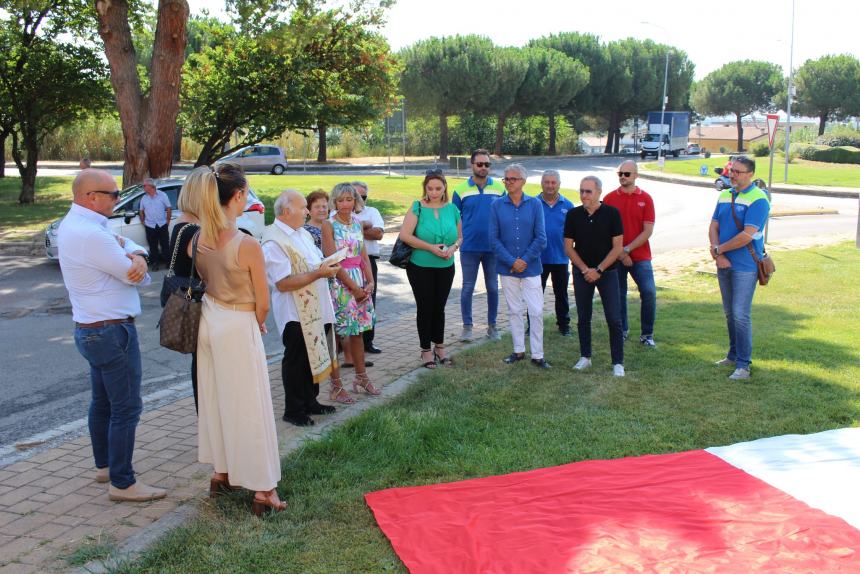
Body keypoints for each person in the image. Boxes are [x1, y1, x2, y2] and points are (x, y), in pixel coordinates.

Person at [58, 168, 166, 502]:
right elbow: (134, 276)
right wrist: (139, 262)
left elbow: (130, 247)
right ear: (90, 197)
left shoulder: (85, 225)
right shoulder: (91, 234)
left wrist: (138, 255)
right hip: (110, 330)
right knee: (126, 407)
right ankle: (122, 482)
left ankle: (105, 465)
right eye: (113, 194)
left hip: (93, 329)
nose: (118, 199)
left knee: (103, 402)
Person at [192, 163, 284, 515]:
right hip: (238, 320)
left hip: (210, 319)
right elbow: (263, 300)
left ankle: (221, 471)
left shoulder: (199, 238)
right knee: (251, 406)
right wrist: (258, 322)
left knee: (217, 399)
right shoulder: (246, 243)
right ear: (239, 195)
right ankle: (264, 490)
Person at [263, 190, 346, 427]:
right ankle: (294, 409)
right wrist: (320, 272)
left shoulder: (302, 233)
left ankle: (311, 400)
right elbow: (282, 282)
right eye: (303, 207)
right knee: (297, 359)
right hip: (294, 312)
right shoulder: (274, 241)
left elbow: (313, 262)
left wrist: (327, 265)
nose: (307, 211)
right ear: (286, 211)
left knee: (314, 354)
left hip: (315, 306)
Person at [708, 155, 770, 381]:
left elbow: (747, 235)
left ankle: (744, 365)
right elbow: (714, 225)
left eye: (737, 172)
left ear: (750, 174)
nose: (732, 175)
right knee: (729, 313)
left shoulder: (758, 198)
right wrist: (718, 252)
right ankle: (733, 355)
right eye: (731, 170)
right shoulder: (725, 195)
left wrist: (719, 250)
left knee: (740, 314)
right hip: (723, 262)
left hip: (745, 266)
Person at [399, 170, 462, 369]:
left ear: (444, 188)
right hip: (421, 266)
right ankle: (425, 350)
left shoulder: (452, 208)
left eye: (438, 188)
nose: (434, 192)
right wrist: (431, 248)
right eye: (430, 188)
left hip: (446, 265)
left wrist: (453, 248)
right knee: (425, 308)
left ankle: (440, 347)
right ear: (425, 188)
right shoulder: (417, 207)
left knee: (439, 308)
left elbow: (460, 236)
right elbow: (405, 235)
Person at [564, 176, 626, 377]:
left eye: (588, 191)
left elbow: (617, 248)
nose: (584, 195)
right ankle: (585, 357)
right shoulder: (573, 214)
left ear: (599, 192)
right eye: (581, 191)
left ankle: (617, 362)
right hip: (582, 273)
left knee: (614, 318)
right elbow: (568, 247)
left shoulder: (612, 214)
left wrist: (598, 270)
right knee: (583, 317)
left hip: (607, 273)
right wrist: (584, 270)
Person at [322, 183, 380, 396]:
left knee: (358, 332)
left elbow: (363, 256)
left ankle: (361, 378)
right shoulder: (329, 225)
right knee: (338, 334)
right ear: (334, 202)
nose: (345, 204)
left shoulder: (357, 223)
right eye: (340, 200)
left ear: (356, 201)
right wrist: (354, 287)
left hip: (360, 281)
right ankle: (336, 385)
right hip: (340, 283)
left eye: (349, 199)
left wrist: (370, 282)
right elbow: (332, 261)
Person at [489, 164, 548, 369]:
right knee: (514, 310)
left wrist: (524, 261)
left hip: (531, 268)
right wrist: (512, 261)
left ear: (523, 181)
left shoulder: (535, 204)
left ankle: (538, 354)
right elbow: (494, 239)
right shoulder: (496, 205)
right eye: (506, 179)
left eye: (513, 179)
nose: (508, 182)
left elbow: (541, 238)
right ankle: (518, 350)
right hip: (507, 269)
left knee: (536, 310)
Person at [163, 167, 208, 412]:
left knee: (200, 363)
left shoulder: (182, 225)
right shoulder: (193, 230)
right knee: (202, 365)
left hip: (186, 299)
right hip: (196, 304)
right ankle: (207, 420)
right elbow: (211, 273)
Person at [452, 149, 506, 342]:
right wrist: (456, 241)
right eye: (479, 164)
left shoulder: (500, 189)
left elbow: (505, 216)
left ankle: (492, 327)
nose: (483, 167)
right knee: (467, 288)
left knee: (493, 287)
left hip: (493, 248)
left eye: (487, 164)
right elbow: (454, 219)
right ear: (471, 165)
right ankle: (467, 327)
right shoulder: (460, 190)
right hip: (469, 248)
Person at [603, 160, 657, 347]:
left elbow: (647, 230)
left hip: (640, 256)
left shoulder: (647, 198)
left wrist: (627, 250)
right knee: (619, 294)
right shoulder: (609, 198)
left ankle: (647, 334)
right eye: (620, 174)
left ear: (635, 175)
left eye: (627, 174)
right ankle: (622, 331)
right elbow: (605, 230)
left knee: (648, 292)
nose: (623, 177)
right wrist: (620, 252)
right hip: (615, 256)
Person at [537, 169, 574, 337]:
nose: (550, 186)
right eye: (547, 182)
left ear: (559, 184)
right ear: (542, 184)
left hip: (560, 257)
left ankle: (564, 325)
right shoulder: (533, 203)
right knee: (535, 296)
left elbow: (574, 234)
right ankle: (534, 326)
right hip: (537, 259)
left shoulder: (568, 206)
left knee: (562, 294)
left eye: (553, 182)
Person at [351, 181, 384, 355]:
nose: (358, 200)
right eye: (355, 196)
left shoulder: (372, 212)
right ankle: (346, 345)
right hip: (347, 262)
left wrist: (351, 227)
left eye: (362, 197)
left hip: (368, 261)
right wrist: (364, 226)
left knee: (369, 300)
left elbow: (378, 234)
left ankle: (367, 341)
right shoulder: (337, 213)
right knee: (348, 301)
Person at [139, 178, 172, 270]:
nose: (143, 187)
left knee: (165, 244)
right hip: (150, 226)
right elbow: (141, 210)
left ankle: (168, 263)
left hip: (162, 224)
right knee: (153, 246)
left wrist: (168, 220)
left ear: (151, 186)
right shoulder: (144, 198)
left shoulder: (162, 195)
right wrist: (143, 221)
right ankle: (155, 263)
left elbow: (169, 208)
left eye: (144, 185)